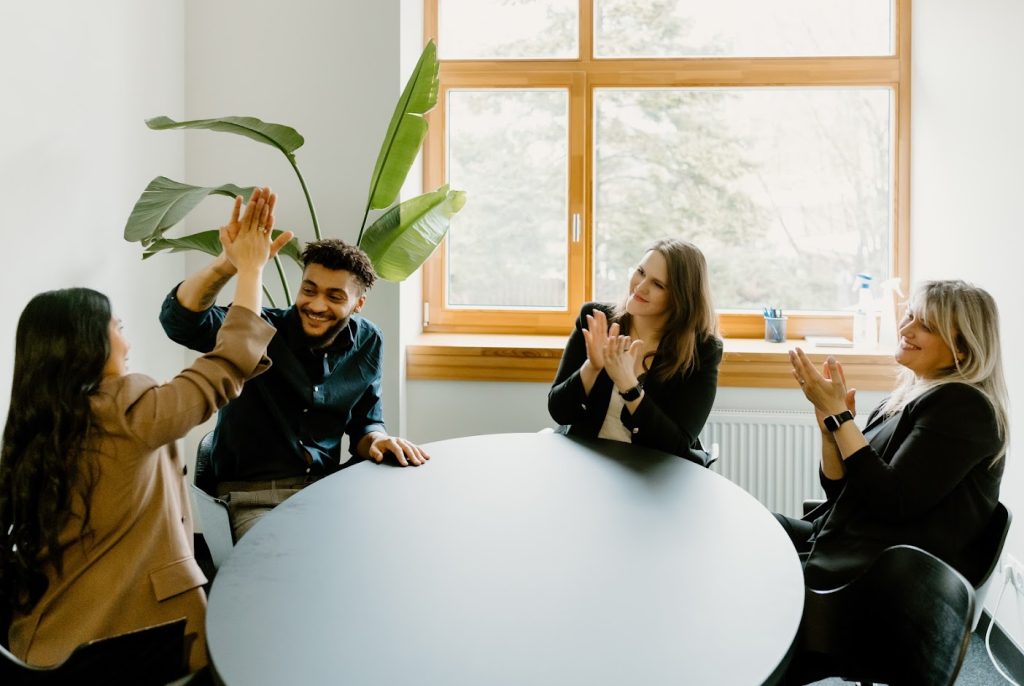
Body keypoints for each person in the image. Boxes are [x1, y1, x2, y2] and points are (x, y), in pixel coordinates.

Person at [0, 188, 288, 671]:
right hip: (133, 641)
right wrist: (251, 270)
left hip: (44, 637)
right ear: (88, 343)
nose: (126, 339)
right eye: (117, 326)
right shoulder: (123, 408)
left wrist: (226, 265)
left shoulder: (40, 419)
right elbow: (223, 370)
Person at [778, 280, 1009, 683]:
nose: (906, 330)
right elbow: (843, 490)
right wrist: (828, 428)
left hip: (892, 583)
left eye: (926, 326)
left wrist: (841, 419)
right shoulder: (908, 396)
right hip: (861, 540)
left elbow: (893, 501)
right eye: (909, 316)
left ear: (964, 347)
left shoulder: (963, 407)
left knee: (758, 576)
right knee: (764, 531)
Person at [160, 230, 429, 541]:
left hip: (324, 493)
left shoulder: (368, 340)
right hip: (252, 499)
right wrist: (226, 265)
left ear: (359, 304)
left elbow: (365, 423)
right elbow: (180, 322)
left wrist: (378, 439)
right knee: (289, 569)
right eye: (309, 290)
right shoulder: (254, 330)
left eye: (334, 296)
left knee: (392, 543)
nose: (316, 305)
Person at [548, 238, 723, 461]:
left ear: (680, 299)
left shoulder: (703, 350)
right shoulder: (595, 318)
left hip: (651, 474)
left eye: (658, 284)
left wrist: (629, 386)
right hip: (587, 461)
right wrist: (591, 367)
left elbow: (676, 446)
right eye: (640, 272)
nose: (640, 287)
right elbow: (559, 412)